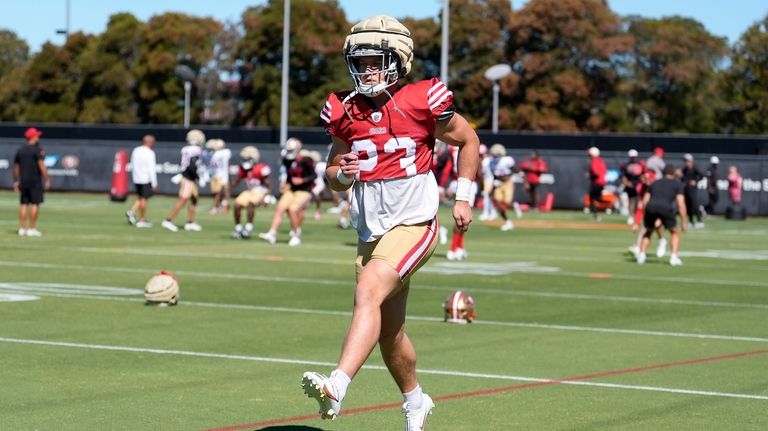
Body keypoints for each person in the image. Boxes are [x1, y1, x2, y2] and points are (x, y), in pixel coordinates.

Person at [300, 15, 480, 431]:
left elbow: (468, 139)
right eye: (359, 62)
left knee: (368, 290)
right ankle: (416, 401)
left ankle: (337, 386)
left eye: (375, 61)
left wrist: (464, 197)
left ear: (398, 59)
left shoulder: (422, 99)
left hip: (415, 222)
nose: (366, 70)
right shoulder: (344, 109)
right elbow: (334, 176)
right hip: (370, 230)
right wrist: (342, 172)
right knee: (388, 333)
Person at [257, 137, 316, 246]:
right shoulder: (286, 159)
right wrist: (286, 182)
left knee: (293, 209)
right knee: (280, 208)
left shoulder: (306, 160)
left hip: (304, 190)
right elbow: (289, 174)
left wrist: (302, 180)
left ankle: (295, 236)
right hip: (291, 189)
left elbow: (313, 175)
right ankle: (272, 233)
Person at [636, 164, 687, 266]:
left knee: (648, 232)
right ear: (673, 173)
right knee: (674, 232)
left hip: (651, 207)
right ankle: (673, 257)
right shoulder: (677, 184)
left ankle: (641, 256)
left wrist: (645, 215)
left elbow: (645, 201)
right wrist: (684, 222)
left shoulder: (654, 183)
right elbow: (681, 204)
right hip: (666, 208)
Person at [161, 129, 205, 232]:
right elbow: (192, 165)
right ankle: (168, 220)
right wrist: (198, 177)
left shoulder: (185, 149)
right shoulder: (196, 150)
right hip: (189, 178)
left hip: (188, 176)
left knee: (195, 198)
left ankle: (190, 222)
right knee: (183, 199)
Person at [13, 127, 51, 237]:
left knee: (23, 204)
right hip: (35, 181)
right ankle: (31, 228)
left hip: (23, 181)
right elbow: (42, 166)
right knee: (35, 204)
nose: (38, 137)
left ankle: (21, 228)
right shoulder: (37, 150)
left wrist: (16, 181)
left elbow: (16, 168)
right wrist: (47, 179)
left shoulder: (20, 150)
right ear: (33, 137)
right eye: (37, 135)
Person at [230, 146, 272, 239]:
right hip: (249, 191)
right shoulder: (243, 169)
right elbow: (236, 182)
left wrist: (267, 197)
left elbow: (269, 184)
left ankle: (249, 229)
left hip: (260, 191)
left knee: (251, 203)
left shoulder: (260, 168)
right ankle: (238, 229)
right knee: (237, 204)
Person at [126, 134, 158, 228]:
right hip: (145, 178)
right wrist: (154, 182)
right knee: (144, 199)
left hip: (136, 178)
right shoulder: (150, 152)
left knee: (141, 197)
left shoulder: (136, 150)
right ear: (150, 142)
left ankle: (132, 211)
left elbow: (132, 163)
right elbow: (151, 168)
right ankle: (142, 219)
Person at [489, 143, 519, 231]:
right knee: (498, 203)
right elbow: (494, 175)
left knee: (507, 203)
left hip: (507, 183)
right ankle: (507, 221)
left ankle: (514, 206)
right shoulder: (491, 162)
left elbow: (514, 169)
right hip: (498, 183)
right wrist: (494, 184)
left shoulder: (507, 160)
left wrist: (522, 178)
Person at [619, 149, 646, 225]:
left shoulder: (641, 164)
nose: (634, 158)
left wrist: (641, 182)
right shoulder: (626, 165)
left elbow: (644, 175)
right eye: (632, 157)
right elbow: (623, 176)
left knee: (639, 201)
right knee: (631, 201)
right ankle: (631, 216)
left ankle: (638, 217)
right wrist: (627, 183)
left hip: (639, 185)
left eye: (635, 157)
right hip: (630, 185)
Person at [205, 138, 232, 215]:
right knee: (215, 193)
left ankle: (220, 207)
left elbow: (226, 164)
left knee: (222, 192)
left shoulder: (224, 152)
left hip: (221, 175)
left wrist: (225, 176)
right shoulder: (210, 153)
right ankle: (219, 206)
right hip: (214, 175)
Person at [681, 153, 704, 228]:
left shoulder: (695, 168)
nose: (686, 162)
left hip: (693, 190)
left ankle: (699, 221)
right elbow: (683, 179)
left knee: (695, 205)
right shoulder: (684, 170)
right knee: (688, 205)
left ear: (691, 161)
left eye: (688, 161)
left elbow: (701, 175)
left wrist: (695, 181)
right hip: (686, 189)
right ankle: (691, 221)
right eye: (685, 161)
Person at [586, 146, 607, 221]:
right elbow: (604, 171)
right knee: (597, 198)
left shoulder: (594, 161)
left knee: (593, 198)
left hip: (596, 182)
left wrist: (590, 175)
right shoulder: (601, 160)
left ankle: (595, 214)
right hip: (602, 182)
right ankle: (596, 213)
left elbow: (596, 173)